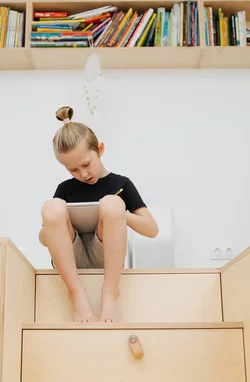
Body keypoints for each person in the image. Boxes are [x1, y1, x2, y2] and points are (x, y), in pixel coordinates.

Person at [38, 106, 159, 323]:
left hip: (106, 256)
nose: (83, 174)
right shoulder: (65, 189)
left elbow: (151, 230)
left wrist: (119, 212)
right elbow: (43, 239)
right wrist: (52, 223)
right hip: (71, 257)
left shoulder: (121, 184)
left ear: (100, 149)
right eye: (73, 170)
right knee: (52, 206)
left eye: (86, 164)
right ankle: (76, 294)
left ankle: (110, 295)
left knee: (112, 204)